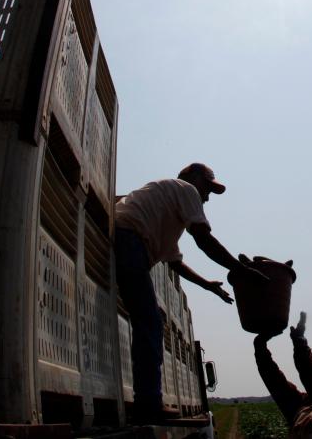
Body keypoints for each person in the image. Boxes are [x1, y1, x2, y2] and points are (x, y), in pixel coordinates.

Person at [113, 163, 266, 423]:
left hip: (128, 240)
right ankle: (148, 404)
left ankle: (147, 401)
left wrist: (208, 285)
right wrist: (240, 270)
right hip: (128, 240)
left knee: (149, 321)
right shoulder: (185, 190)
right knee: (150, 322)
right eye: (207, 187)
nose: (207, 196)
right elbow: (205, 240)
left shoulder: (166, 210)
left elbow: (175, 263)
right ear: (192, 178)